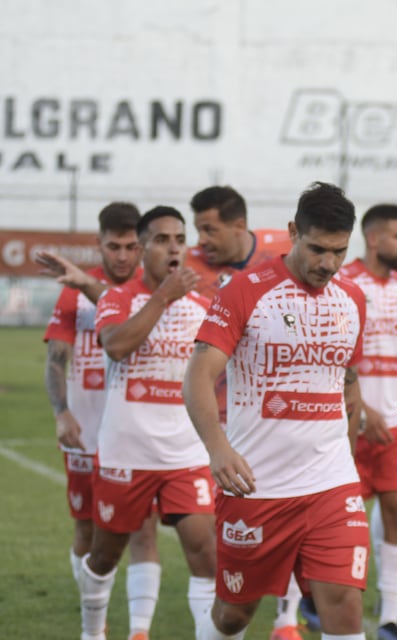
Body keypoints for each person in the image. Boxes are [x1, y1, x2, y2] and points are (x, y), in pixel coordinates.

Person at [184, 181, 371, 640]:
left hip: (331, 484)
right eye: (317, 248)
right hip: (256, 484)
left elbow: (346, 380)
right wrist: (218, 450)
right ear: (293, 232)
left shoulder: (353, 301)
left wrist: (347, 448)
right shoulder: (244, 292)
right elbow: (197, 377)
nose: (327, 263)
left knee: (343, 606)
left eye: (339, 251)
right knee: (234, 615)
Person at [79, 206, 215, 640]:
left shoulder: (205, 306)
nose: (173, 248)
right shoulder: (118, 298)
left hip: (185, 455)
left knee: (208, 560)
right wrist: (163, 298)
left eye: (179, 239)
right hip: (126, 453)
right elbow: (117, 346)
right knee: (103, 558)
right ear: (142, 249)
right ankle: (92, 631)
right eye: (161, 240)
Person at [43, 201, 164, 640]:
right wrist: (61, 413)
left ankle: (139, 631)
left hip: (135, 433)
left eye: (131, 246)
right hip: (85, 431)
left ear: (142, 246)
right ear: (100, 244)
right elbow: (55, 360)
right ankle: (94, 615)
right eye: (113, 246)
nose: (122, 256)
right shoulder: (75, 290)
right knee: (86, 528)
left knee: (143, 530)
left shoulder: (150, 291)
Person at [187, 185, 303, 639]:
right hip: (211, 418)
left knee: (297, 513)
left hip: (280, 417)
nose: (201, 239)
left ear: (240, 226)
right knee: (230, 532)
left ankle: (286, 620)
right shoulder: (190, 267)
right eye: (197, 229)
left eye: (209, 228)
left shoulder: (283, 249)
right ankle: (226, 611)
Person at [338, 204, 397, 640]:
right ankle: (292, 614)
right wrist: (362, 409)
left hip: (395, 428)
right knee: (331, 520)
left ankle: (389, 619)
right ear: (374, 239)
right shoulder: (344, 282)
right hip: (347, 425)